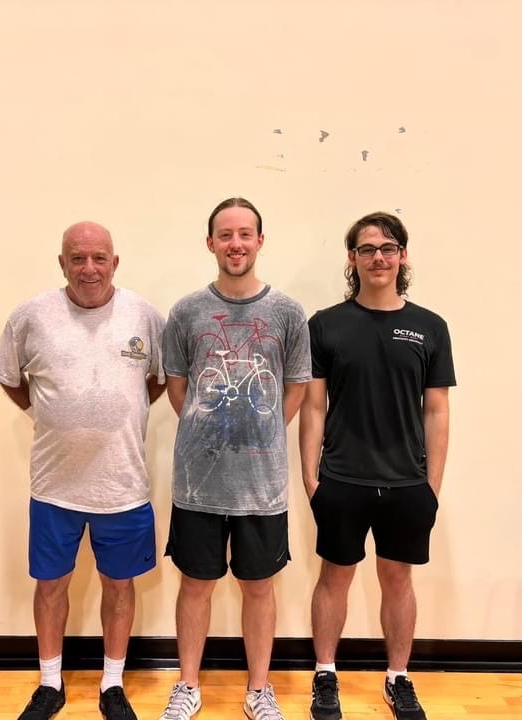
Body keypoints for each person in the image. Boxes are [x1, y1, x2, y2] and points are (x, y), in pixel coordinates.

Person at [0, 221, 166, 720]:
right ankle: (50, 683)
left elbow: (157, 380)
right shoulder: (31, 316)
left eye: (99, 258)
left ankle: (113, 684)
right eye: (77, 258)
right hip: (55, 486)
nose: (89, 269)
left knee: (120, 585)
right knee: (51, 586)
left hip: (123, 485)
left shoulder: (144, 315)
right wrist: (43, 411)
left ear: (115, 262)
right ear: (62, 263)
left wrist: (122, 411)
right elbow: (8, 375)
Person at [158, 198, 311, 720]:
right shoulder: (186, 312)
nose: (236, 244)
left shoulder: (288, 313)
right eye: (225, 235)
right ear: (210, 243)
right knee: (195, 585)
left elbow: (295, 389)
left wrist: (256, 431)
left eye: (245, 234)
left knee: (259, 587)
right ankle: (187, 684)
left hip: (262, 484)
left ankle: (259, 689)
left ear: (260, 241)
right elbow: (178, 390)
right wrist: (215, 430)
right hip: (197, 482)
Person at [299, 212, 455, 720]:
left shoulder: (430, 327)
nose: (378, 257)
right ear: (352, 258)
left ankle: (398, 678)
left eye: (388, 248)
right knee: (334, 578)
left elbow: (436, 411)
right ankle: (325, 674)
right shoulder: (325, 325)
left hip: (407, 483)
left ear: (402, 256)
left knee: (398, 580)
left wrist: (431, 485)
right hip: (342, 479)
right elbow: (314, 406)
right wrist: (311, 477)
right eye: (367, 249)